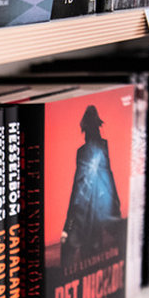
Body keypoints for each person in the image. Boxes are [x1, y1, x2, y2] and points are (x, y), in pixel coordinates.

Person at [61, 105, 123, 271]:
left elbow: (82, 182)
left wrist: (70, 218)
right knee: (93, 249)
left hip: (91, 204)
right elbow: (104, 174)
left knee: (90, 249)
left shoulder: (88, 150)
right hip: (96, 203)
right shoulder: (100, 146)